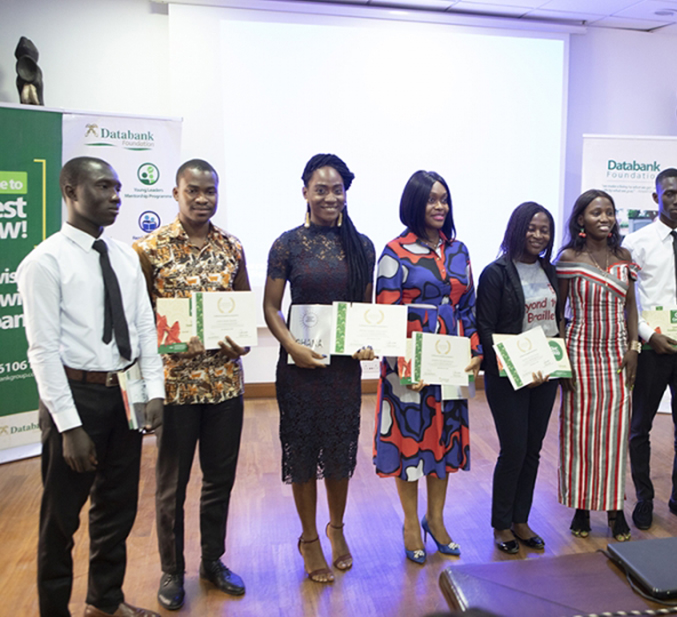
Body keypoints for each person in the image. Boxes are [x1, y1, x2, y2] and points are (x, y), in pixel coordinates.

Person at [18, 157, 164, 617]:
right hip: (74, 397)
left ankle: (105, 601)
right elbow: (42, 351)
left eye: (119, 188)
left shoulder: (124, 255)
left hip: (124, 393)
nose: (115, 197)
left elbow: (143, 325)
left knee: (116, 509)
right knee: (60, 521)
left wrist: (154, 390)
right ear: (69, 189)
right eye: (103, 187)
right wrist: (68, 426)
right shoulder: (44, 262)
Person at [134, 159, 249, 610]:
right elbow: (141, 320)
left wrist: (240, 343)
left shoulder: (232, 247)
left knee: (219, 481)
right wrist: (175, 341)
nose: (202, 199)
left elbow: (242, 309)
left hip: (224, 386)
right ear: (176, 192)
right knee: (172, 486)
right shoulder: (150, 249)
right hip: (175, 388)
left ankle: (213, 562)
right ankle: (171, 570)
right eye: (193, 191)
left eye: (210, 192)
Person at [263, 154, 376, 583]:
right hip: (299, 369)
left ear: (346, 194)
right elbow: (271, 308)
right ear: (305, 191)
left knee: (340, 453)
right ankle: (309, 538)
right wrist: (291, 345)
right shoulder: (287, 244)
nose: (330, 196)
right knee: (304, 453)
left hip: (342, 370)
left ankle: (337, 529)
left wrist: (367, 344)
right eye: (321, 188)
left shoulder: (362, 245)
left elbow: (364, 310)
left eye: (337, 189)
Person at [374, 170, 482, 564]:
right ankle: (409, 523)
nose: (439, 207)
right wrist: (404, 365)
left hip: (452, 363)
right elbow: (385, 316)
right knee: (411, 443)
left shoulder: (460, 251)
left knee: (444, 440)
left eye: (444, 199)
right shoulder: (393, 252)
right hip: (410, 370)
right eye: (431, 200)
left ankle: (435, 520)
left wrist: (476, 350)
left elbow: (467, 306)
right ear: (414, 204)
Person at [622, 168, 677, 531]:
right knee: (640, 426)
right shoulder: (636, 243)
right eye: (669, 193)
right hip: (652, 347)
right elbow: (631, 302)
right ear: (655, 197)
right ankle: (644, 498)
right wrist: (646, 335)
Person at [476, 202, 562, 554]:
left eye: (544, 230)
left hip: (548, 372)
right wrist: (519, 370)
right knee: (513, 449)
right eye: (532, 228)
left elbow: (555, 321)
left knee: (533, 449)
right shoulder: (496, 273)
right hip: (509, 375)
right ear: (517, 229)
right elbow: (485, 329)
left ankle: (521, 520)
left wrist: (550, 365)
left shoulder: (550, 271)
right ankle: (501, 524)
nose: (538, 236)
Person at [556, 189, 638, 542]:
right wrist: (562, 360)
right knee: (579, 434)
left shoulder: (624, 256)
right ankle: (581, 507)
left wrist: (635, 347)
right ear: (580, 220)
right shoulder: (569, 258)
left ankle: (616, 510)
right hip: (579, 352)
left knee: (616, 435)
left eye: (609, 212)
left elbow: (631, 307)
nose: (605, 218)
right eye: (596, 213)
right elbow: (559, 312)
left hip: (617, 354)